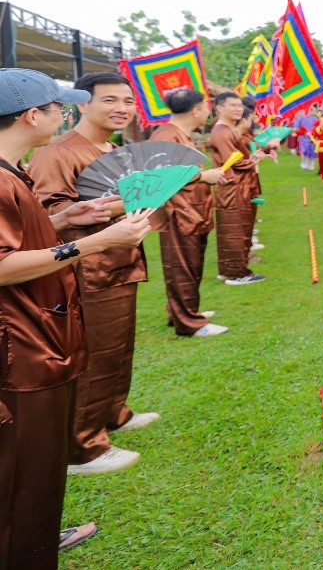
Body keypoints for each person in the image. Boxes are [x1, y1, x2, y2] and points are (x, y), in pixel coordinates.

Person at [0, 68, 152, 569]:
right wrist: (92, 242)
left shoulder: (12, 170)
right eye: (57, 108)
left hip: (38, 333)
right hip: (20, 346)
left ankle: (35, 536)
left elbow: (24, 233)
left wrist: (66, 219)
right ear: (31, 115)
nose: (63, 116)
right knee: (24, 461)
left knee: (37, 465)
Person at [27, 72, 157, 477]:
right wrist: (128, 204)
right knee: (94, 354)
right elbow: (48, 219)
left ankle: (113, 412)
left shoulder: (113, 147)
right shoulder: (58, 152)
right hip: (86, 268)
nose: (121, 108)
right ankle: (83, 445)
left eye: (128, 101)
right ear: (83, 103)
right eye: (110, 100)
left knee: (119, 348)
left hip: (122, 260)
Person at [149, 88, 229, 337]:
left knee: (191, 264)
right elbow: (161, 174)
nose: (208, 112)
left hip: (193, 210)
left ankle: (184, 311)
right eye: (206, 107)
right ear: (195, 110)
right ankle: (188, 322)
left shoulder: (181, 134)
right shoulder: (165, 136)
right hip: (178, 212)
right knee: (181, 266)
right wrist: (204, 176)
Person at [209, 92, 266, 286]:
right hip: (234, 188)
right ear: (219, 107)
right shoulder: (223, 131)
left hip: (236, 186)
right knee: (236, 229)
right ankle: (236, 273)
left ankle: (228, 269)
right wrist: (254, 159)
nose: (238, 109)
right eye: (232, 105)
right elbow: (234, 161)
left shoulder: (226, 130)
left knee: (232, 228)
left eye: (240, 106)